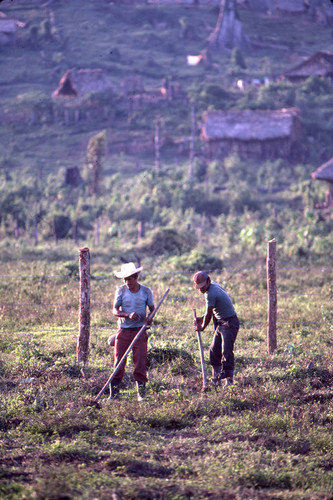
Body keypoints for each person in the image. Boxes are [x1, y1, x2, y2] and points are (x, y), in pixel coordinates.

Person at [110, 262, 154, 401]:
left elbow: (153, 311)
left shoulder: (146, 291)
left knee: (140, 362)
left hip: (139, 331)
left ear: (136, 277)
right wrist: (127, 315)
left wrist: (149, 320)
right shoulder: (121, 290)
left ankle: (141, 394)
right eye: (125, 279)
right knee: (119, 362)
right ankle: (114, 394)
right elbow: (115, 310)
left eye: (130, 279)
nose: (127, 282)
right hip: (123, 331)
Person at [193, 271, 239, 387]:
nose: (201, 290)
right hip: (221, 322)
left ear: (208, 281)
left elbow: (209, 314)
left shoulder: (210, 293)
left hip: (229, 322)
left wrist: (202, 327)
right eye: (198, 287)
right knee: (214, 350)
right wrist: (201, 318)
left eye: (202, 287)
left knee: (226, 351)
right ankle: (216, 379)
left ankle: (228, 381)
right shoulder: (212, 286)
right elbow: (213, 310)